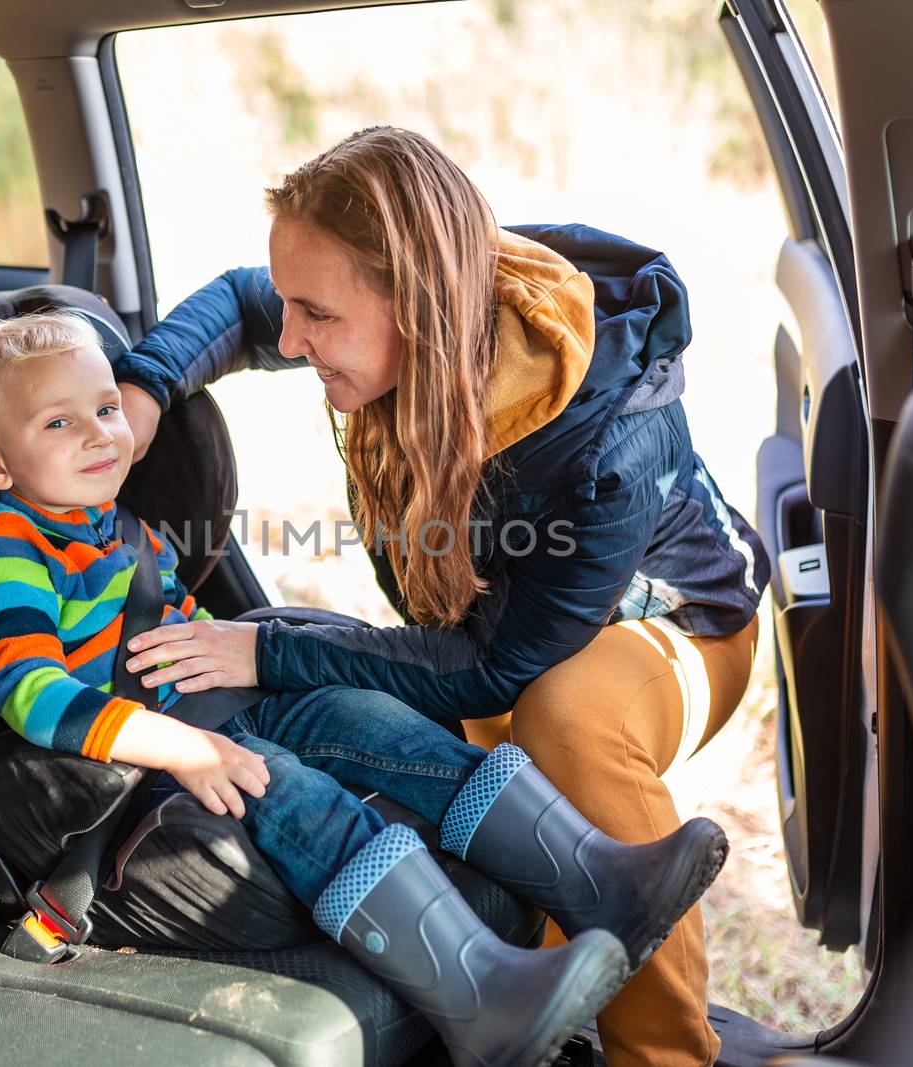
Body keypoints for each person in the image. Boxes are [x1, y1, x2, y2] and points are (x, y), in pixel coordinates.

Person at [111, 126, 769, 1067]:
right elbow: (233, 304)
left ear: (413, 305)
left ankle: (661, 1054)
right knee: (312, 663)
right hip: (504, 631)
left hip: (679, 624)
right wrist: (141, 392)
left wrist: (268, 653)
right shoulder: (392, 308)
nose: (291, 340)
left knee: (563, 715)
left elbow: (494, 665)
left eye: (317, 317)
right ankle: (529, 994)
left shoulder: (602, 446)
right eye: (290, 307)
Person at [0, 311, 730, 1067]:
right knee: (297, 793)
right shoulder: (15, 547)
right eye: (59, 423)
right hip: (140, 761)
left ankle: (595, 876)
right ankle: (482, 999)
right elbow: (32, 693)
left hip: (210, 708)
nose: (97, 432)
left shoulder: (129, 533)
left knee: (375, 721)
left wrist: (241, 657)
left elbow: (183, 633)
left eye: (107, 407)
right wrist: (184, 746)